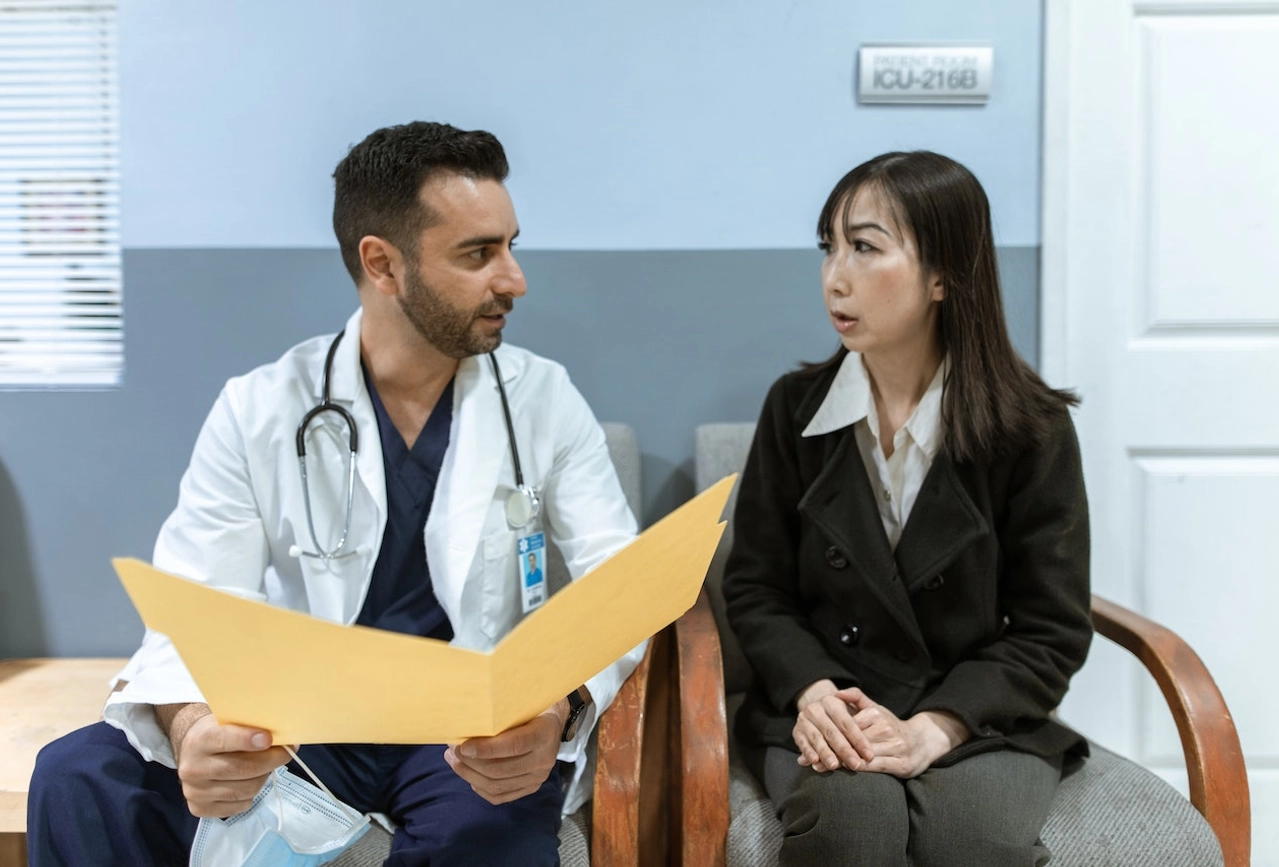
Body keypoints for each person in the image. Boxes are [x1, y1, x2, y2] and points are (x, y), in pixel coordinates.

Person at [27, 121, 642, 867]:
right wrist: (191, 726)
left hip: (459, 735)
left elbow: (619, 580)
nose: (513, 279)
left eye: (511, 246)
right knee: (78, 775)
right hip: (300, 719)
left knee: (480, 835)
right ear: (382, 263)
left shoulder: (542, 398)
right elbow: (192, 599)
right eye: (479, 253)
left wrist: (559, 701)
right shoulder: (259, 408)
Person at [722, 151, 1092, 866]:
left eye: (863, 246)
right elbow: (756, 587)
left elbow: (1050, 627)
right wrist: (812, 689)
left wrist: (937, 724)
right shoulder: (793, 410)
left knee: (972, 840)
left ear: (942, 275)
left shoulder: (1032, 429)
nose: (835, 274)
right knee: (852, 822)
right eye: (828, 246)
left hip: (978, 714)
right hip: (830, 705)